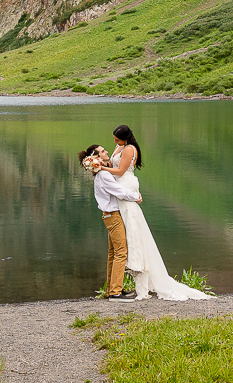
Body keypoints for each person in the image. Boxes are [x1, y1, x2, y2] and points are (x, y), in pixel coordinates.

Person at [97, 125, 213, 301]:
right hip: (120, 191)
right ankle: (114, 288)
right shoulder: (119, 147)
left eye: (116, 139)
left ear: (125, 138)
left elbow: (120, 171)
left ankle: (122, 285)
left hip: (125, 185)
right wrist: (99, 164)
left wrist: (101, 168)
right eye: (113, 138)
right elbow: (114, 165)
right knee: (120, 240)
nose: (113, 141)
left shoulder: (129, 149)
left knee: (130, 234)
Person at [78, 145, 141, 300]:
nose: (106, 152)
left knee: (113, 253)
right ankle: (115, 292)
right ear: (97, 157)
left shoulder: (101, 173)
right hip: (113, 216)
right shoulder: (103, 176)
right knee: (121, 252)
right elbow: (118, 191)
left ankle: (112, 289)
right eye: (103, 151)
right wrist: (135, 196)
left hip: (109, 216)